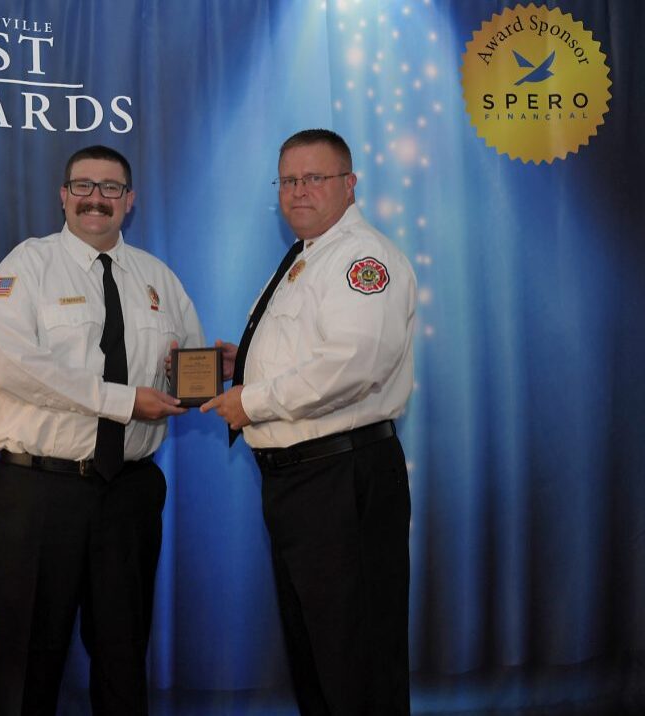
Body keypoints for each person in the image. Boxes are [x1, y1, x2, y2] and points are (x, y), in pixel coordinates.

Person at [0, 145, 206, 715]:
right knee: (28, 660)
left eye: (110, 188)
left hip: (127, 493)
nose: (95, 200)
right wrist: (123, 401)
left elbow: (188, 369)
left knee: (124, 657)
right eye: (83, 186)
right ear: (63, 195)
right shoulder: (23, 267)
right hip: (39, 495)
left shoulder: (159, 278)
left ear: (130, 200)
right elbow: (14, 367)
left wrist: (209, 371)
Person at [202, 129, 417, 715]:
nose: (298, 192)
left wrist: (253, 401)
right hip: (302, 483)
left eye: (314, 178)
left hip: (342, 476)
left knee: (356, 658)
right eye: (289, 180)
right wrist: (240, 365)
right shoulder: (306, 257)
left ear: (350, 185)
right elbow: (308, 353)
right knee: (317, 654)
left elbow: (352, 366)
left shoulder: (361, 259)